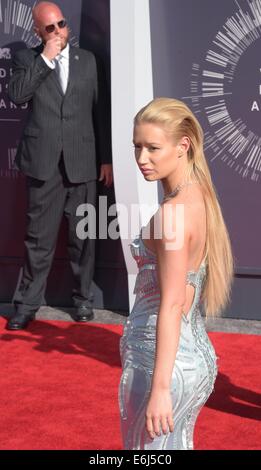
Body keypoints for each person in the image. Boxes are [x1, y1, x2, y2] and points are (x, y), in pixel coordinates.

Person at [118, 98, 234, 450]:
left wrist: (161, 389)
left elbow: (171, 305)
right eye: (137, 146)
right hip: (190, 356)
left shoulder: (173, 213)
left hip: (161, 365)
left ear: (183, 146)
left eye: (153, 148)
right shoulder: (199, 195)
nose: (141, 159)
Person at [7, 1, 112, 330]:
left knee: (85, 237)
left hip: (83, 161)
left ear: (68, 25)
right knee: (38, 238)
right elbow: (19, 95)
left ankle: (82, 300)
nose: (58, 32)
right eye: (49, 28)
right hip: (44, 163)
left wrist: (106, 158)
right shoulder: (27, 59)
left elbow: (100, 112)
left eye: (61, 25)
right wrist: (46, 59)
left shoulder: (88, 61)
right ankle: (26, 304)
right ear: (38, 31)